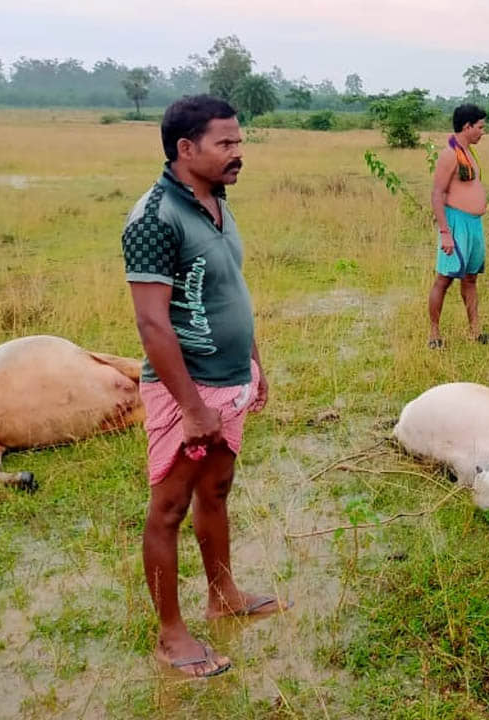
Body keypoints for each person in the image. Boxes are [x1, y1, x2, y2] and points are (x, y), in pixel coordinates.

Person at [121, 95, 284, 679]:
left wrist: (253, 362)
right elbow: (151, 322)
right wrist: (190, 407)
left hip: (229, 378)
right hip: (184, 391)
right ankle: (170, 636)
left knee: (216, 491)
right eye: (226, 144)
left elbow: (228, 288)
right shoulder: (152, 218)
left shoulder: (216, 200)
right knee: (168, 507)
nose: (238, 153)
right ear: (185, 149)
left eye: (240, 142)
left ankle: (224, 596)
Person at [428, 104, 489, 348]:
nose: (482, 132)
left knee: (470, 279)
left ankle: (475, 331)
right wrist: (445, 233)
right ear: (467, 127)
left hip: (474, 224)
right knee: (444, 280)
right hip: (456, 224)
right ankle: (434, 334)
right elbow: (437, 194)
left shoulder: (467, 152)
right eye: (480, 127)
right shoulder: (449, 155)